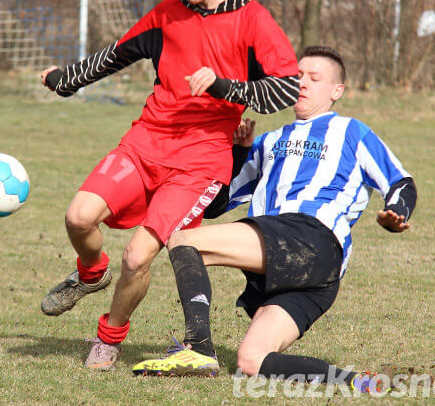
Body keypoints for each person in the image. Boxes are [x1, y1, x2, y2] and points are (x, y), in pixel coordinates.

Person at [39, 0, 301, 371]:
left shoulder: (254, 20)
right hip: (146, 142)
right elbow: (116, 54)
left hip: (199, 161)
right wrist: (65, 81)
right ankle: (89, 273)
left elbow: (286, 88)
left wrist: (224, 87)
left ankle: (109, 338)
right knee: (78, 217)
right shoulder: (168, 13)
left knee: (137, 256)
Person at [132, 45, 417, 395]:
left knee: (183, 239)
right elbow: (218, 203)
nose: (302, 84)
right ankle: (359, 382)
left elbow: (401, 182)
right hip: (308, 273)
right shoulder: (269, 142)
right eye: (297, 76)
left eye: (314, 78)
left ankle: (198, 349)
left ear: (336, 91)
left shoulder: (351, 132)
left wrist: (397, 213)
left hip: (311, 238)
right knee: (252, 361)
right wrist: (237, 152)